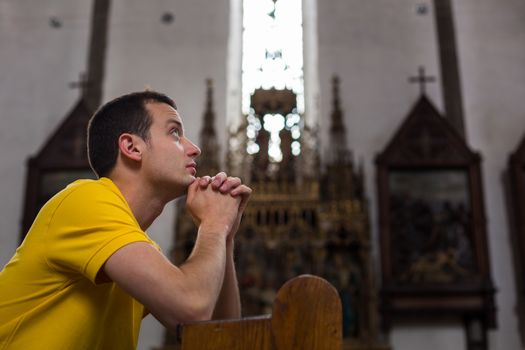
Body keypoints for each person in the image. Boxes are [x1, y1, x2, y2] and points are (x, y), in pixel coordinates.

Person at [0, 91, 252, 349]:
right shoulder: (85, 199)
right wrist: (213, 225)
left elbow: (221, 336)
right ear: (132, 147)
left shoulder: (138, 249)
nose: (194, 148)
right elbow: (190, 309)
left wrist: (225, 234)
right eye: (175, 133)